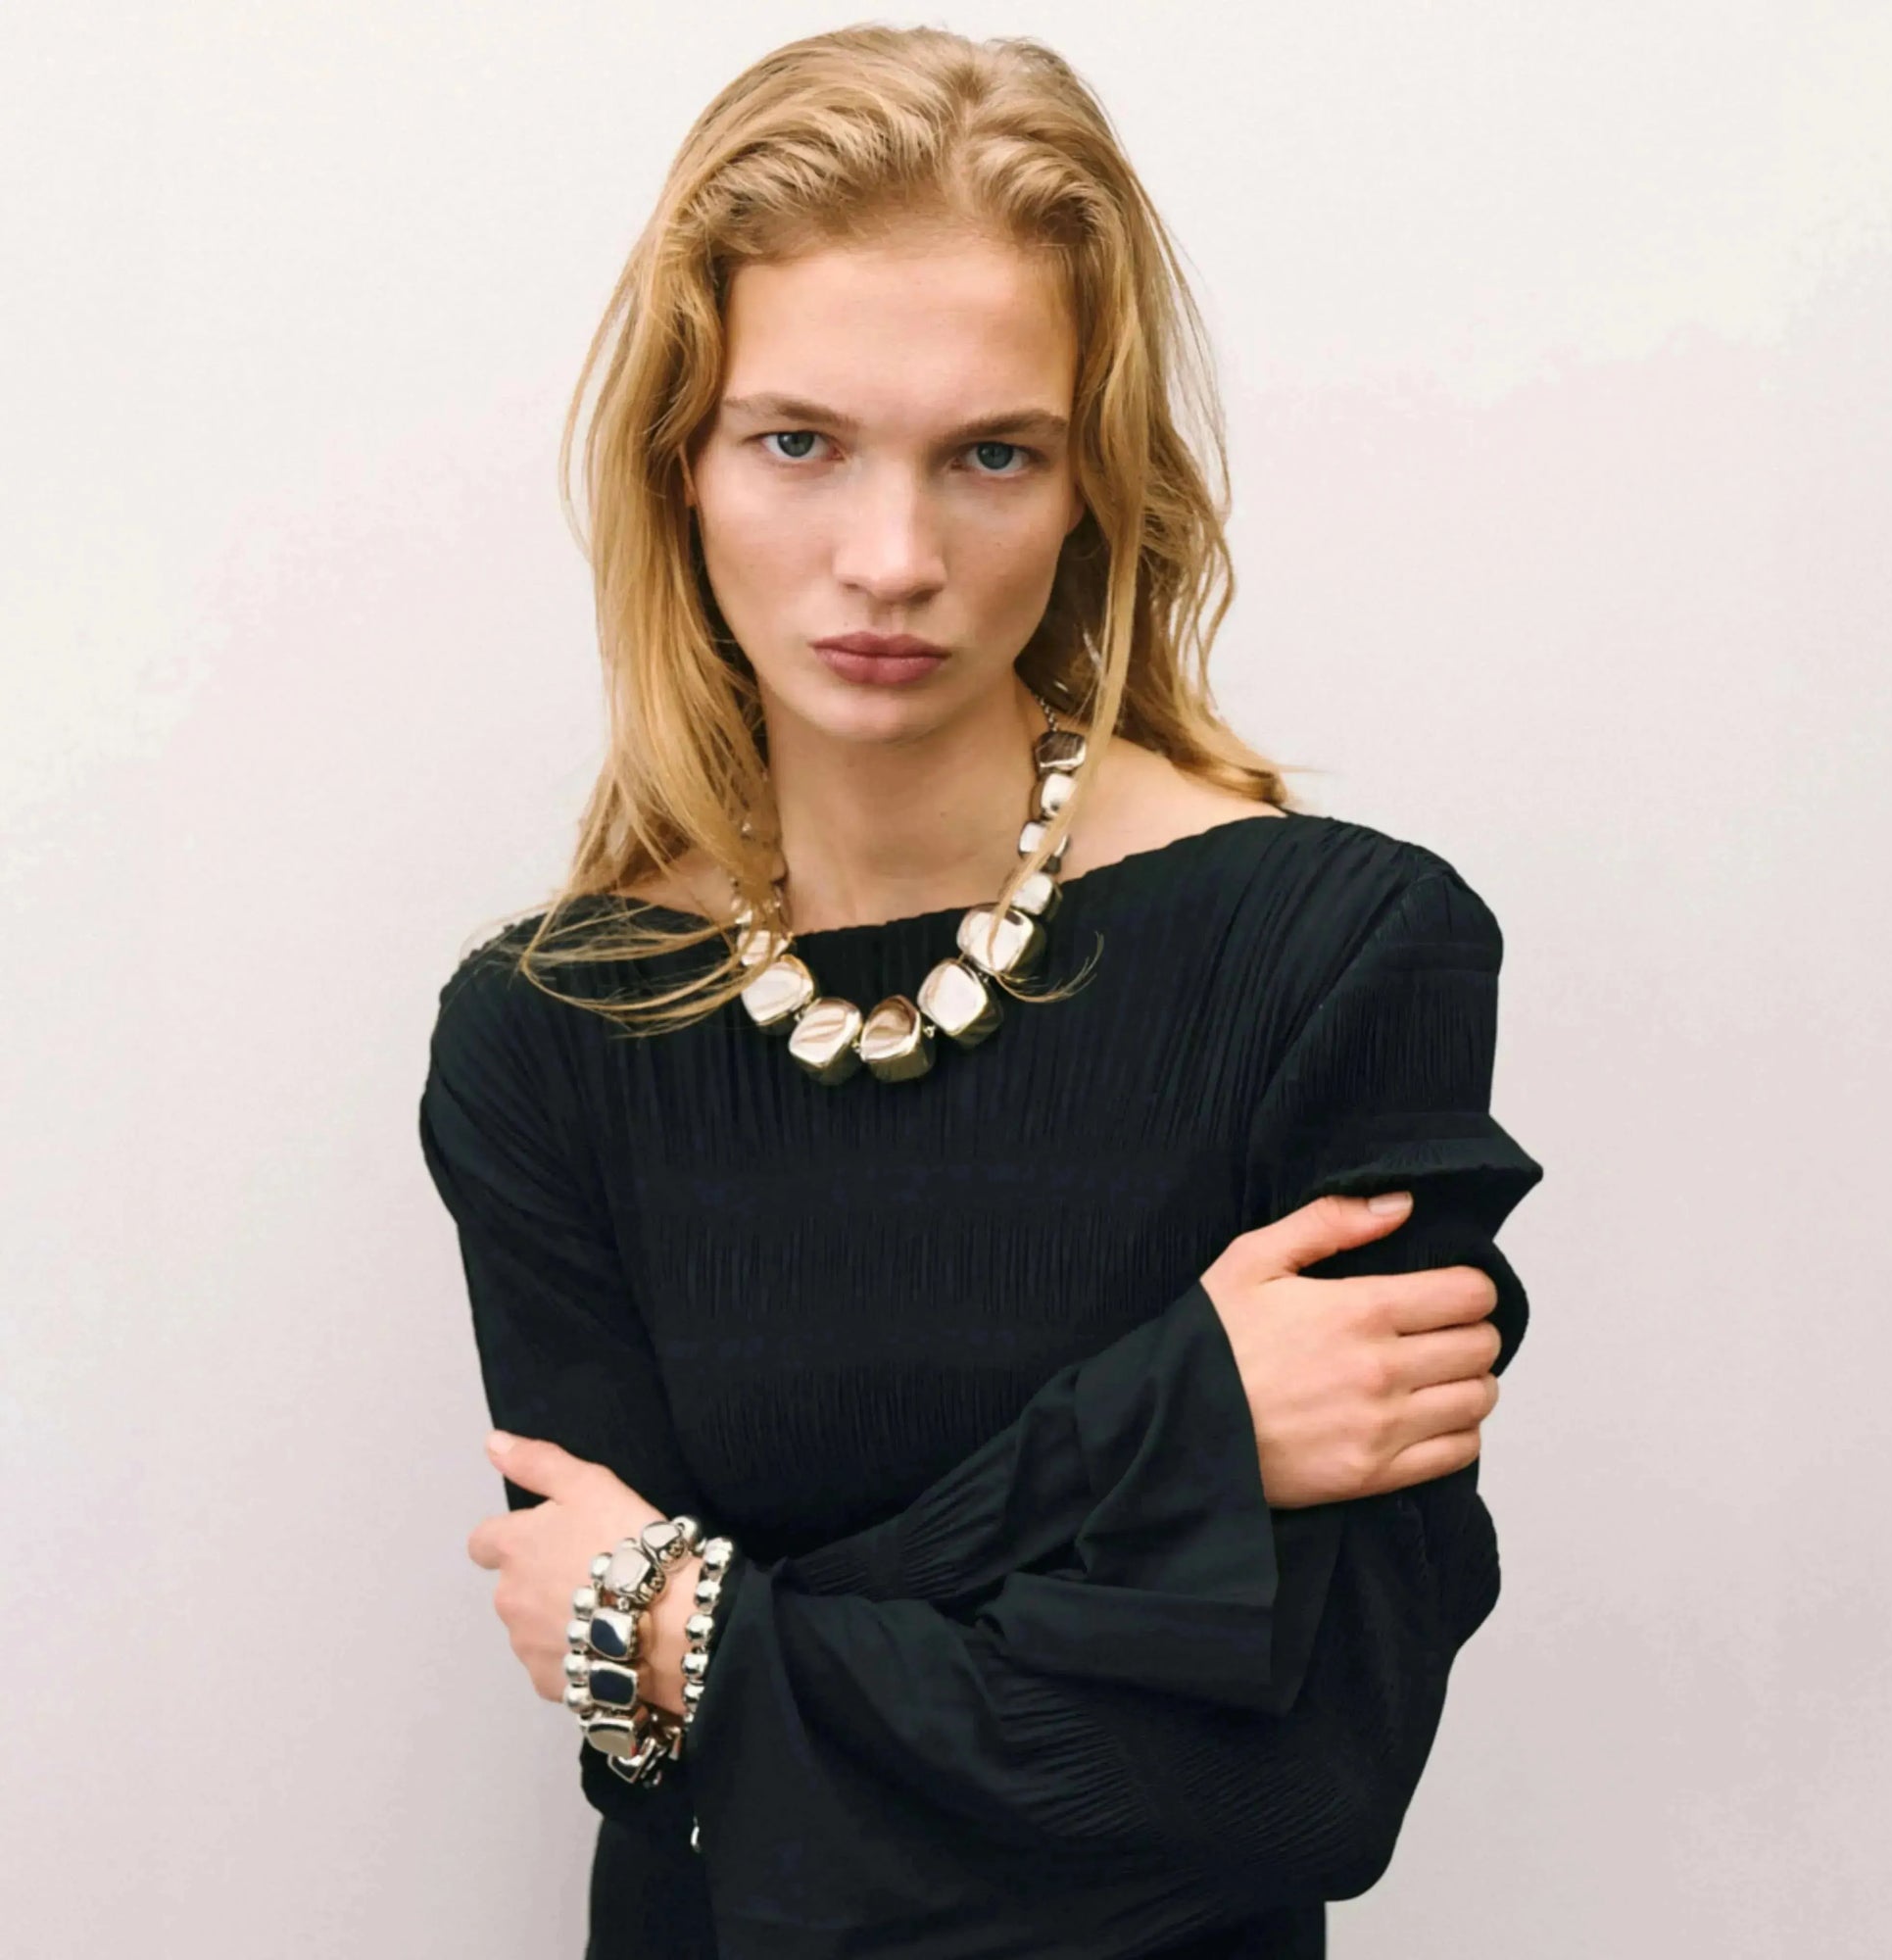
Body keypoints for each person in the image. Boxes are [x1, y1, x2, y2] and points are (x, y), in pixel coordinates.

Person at [417, 24, 1544, 1960]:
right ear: (680, 461)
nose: (892, 560)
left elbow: (1300, 1785)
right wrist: (1170, 1429)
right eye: (798, 442)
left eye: (991, 455)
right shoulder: (548, 1035)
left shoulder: (1341, 959)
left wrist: (702, 1633)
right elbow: (669, 1783)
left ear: (1092, 483)